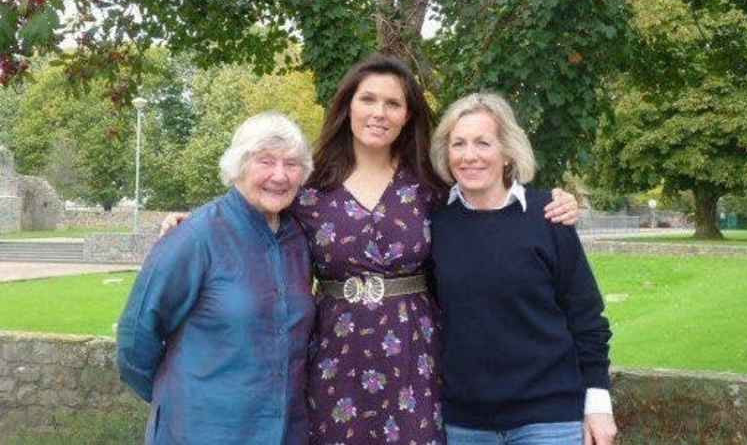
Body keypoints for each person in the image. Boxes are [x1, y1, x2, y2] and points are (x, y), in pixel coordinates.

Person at [159, 54, 581, 444]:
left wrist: (554, 202)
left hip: (417, 359)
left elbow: (490, 202)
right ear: (348, 106)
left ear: (407, 114)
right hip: (333, 359)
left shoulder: (432, 185)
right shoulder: (309, 188)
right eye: (369, 100)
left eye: (393, 103)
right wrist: (193, 222)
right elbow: (254, 217)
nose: (379, 113)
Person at [428, 92, 617, 445]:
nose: (469, 156)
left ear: (507, 152)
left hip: (549, 420)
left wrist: (598, 402)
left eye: (483, 143)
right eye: (458, 144)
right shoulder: (435, 225)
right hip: (465, 424)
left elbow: (586, 316)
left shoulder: (549, 215)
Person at [117, 112, 316, 445]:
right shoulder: (194, 237)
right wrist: (180, 397)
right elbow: (136, 336)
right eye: (265, 161)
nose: (280, 175)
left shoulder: (298, 237)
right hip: (202, 430)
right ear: (238, 165)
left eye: (292, 164)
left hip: (284, 431)